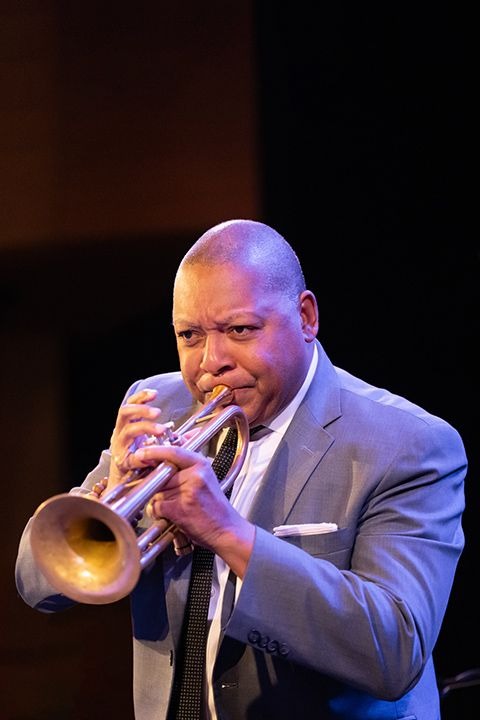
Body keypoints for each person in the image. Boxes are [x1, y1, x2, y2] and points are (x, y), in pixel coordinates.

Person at [15, 219, 467, 720]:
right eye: (190, 335)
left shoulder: (408, 445)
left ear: (306, 317)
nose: (211, 362)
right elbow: (37, 584)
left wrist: (225, 531)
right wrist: (114, 497)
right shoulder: (158, 406)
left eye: (239, 330)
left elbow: (395, 652)